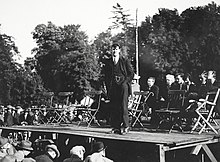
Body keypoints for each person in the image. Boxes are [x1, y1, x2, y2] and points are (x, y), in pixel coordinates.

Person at [103, 43, 134, 135]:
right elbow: (107, 76)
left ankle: (126, 126)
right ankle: (115, 127)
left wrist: (125, 82)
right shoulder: (108, 62)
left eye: (116, 49)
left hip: (123, 86)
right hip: (113, 87)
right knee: (114, 107)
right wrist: (108, 88)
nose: (114, 51)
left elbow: (131, 74)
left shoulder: (124, 61)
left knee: (123, 106)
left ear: (119, 50)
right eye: (113, 49)